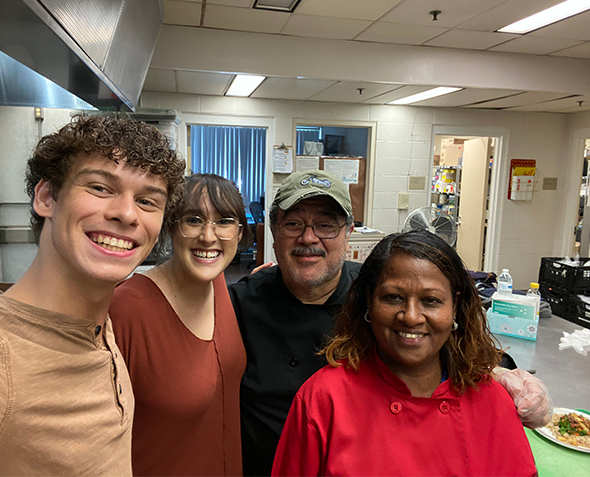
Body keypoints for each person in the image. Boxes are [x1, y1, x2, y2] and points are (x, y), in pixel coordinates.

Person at [229, 169, 551, 477]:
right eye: (294, 223)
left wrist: (506, 373)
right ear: (273, 231)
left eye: (326, 225)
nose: (309, 237)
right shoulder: (237, 304)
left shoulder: (380, 288)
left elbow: (446, 338)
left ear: (348, 232)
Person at [0, 115, 185, 476]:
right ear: (46, 196)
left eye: (148, 201)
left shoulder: (100, 326)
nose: (126, 214)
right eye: (100, 188)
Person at [272, 230, 537, 476]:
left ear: (455, 306)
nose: (411, 317)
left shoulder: (493, 401)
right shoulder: (323, 399)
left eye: (431, 300)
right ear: (369, 301)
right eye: (393, 298)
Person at [109, 173, 253, 477]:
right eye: (193, 219)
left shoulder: (219, 285)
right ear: (171, 227)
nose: (208, 236)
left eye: (225, 221)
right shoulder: (128, 308)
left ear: (239, 233)